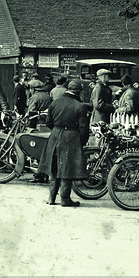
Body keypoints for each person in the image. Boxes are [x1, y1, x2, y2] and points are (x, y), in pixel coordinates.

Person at [38, 79, 89, 207]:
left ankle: (51, 198)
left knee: (54, 168)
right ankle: (65, 199)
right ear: (78, 92)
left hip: (55, 136)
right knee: (67, 169)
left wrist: (57, 129)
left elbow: (48, 122)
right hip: (71, 138)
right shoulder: (80, 106)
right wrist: (81, 142)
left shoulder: (55, 103)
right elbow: (83, 129)